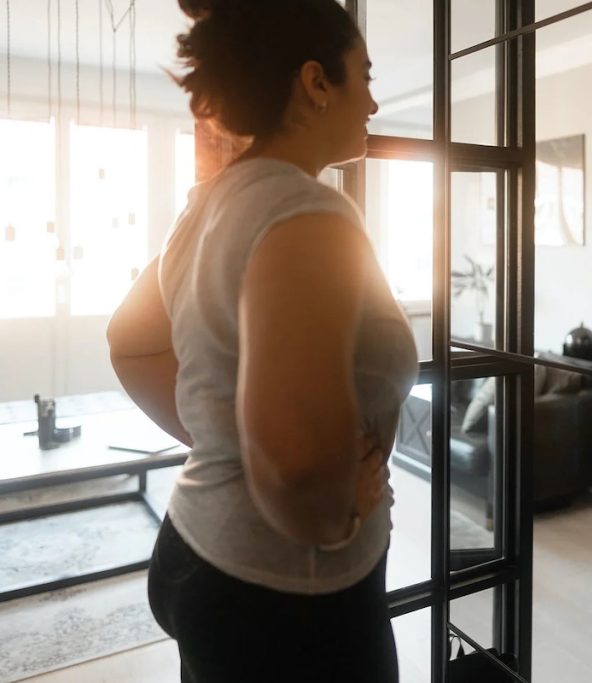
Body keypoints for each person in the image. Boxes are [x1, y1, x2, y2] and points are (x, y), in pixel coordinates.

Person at [105, 1, 417, 680]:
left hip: (200, 547)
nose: (372, 99)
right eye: (363, 74)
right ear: (315, 82)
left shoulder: (208, 202)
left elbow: (128, 344)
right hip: (288, 593)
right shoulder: (312, 212)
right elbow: (302, 464)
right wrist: (333, 519)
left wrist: (226, 439)